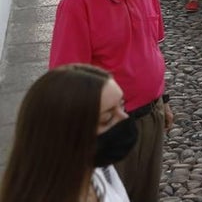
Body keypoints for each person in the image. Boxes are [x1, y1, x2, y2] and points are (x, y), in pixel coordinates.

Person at [48, 0, 172, 202]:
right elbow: (66, 78)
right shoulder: (78, 1)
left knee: (145, 192)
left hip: (150, 117)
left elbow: (152, 47)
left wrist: (163, 100)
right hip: (109, 126)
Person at [0, 64, 134, 202]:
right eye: (107, 118)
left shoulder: (95, 168)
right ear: (66, 134)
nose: (125, 118)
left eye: (122, 105)